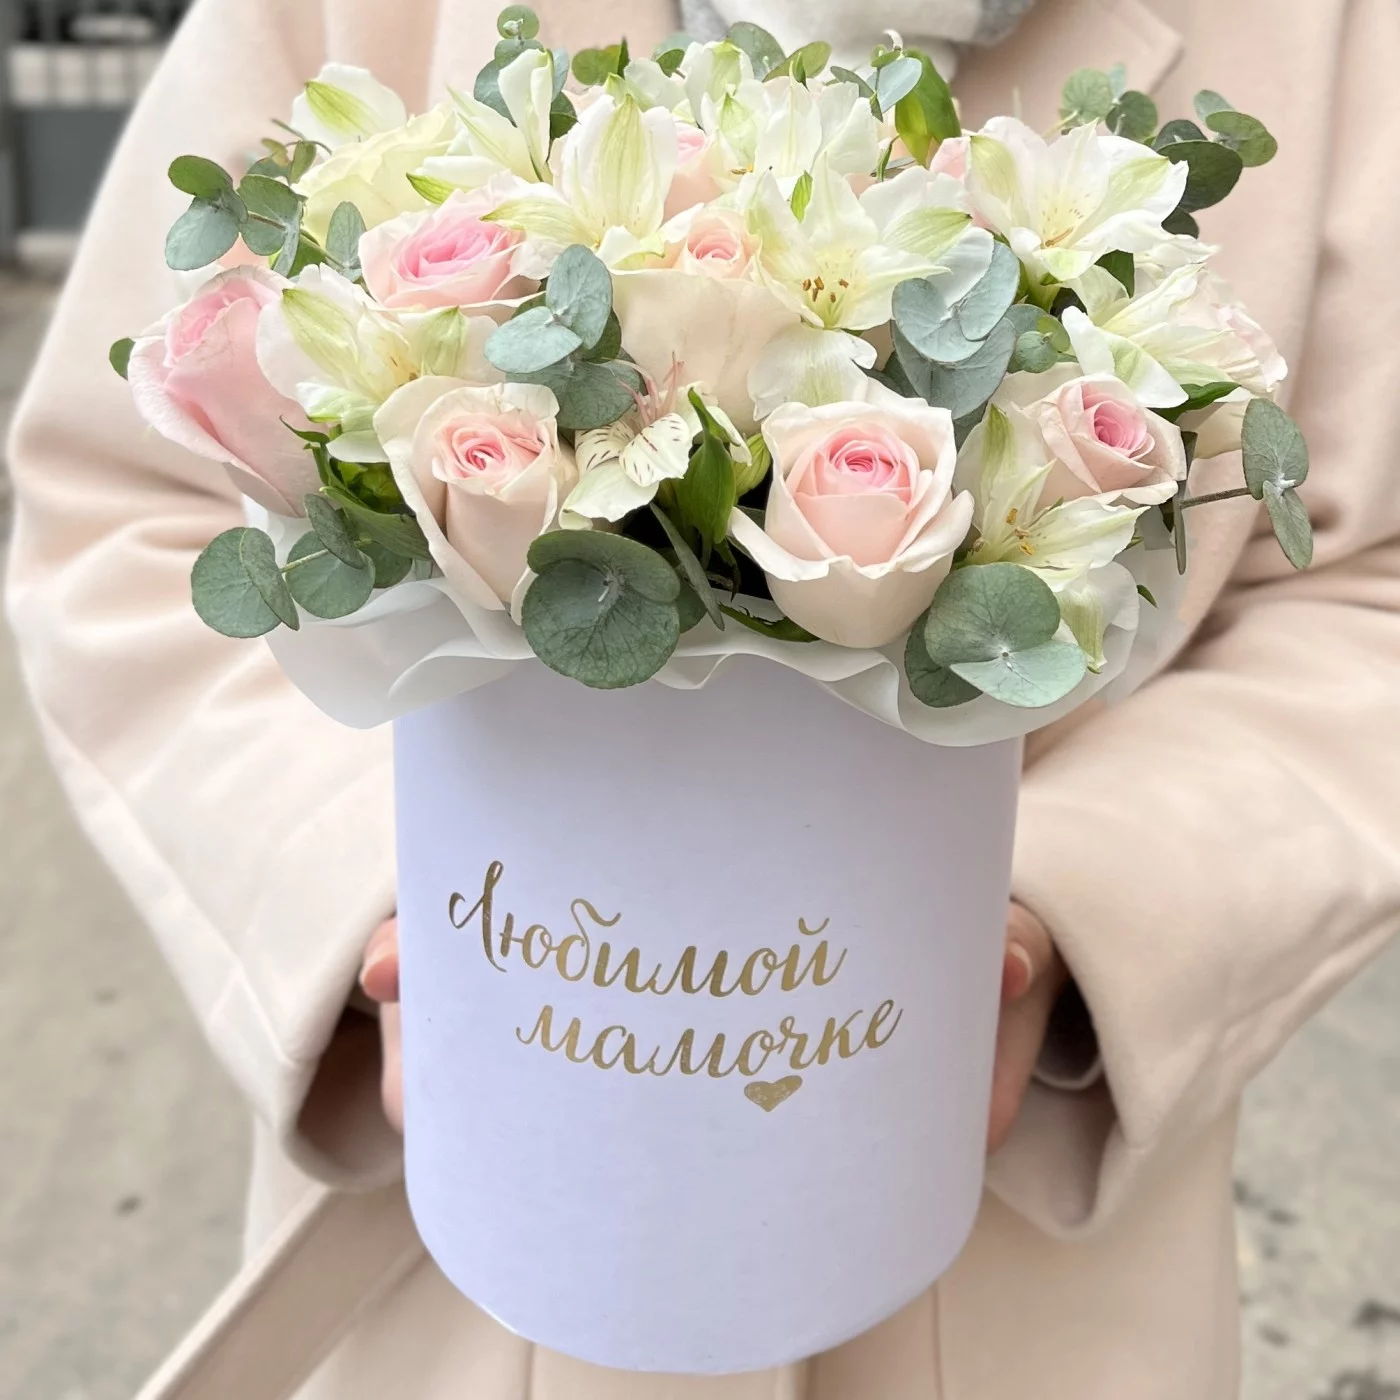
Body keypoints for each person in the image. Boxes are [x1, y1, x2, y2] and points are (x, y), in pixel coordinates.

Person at [7, 0, 1399, 1396]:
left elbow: (1365, 595)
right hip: (485, 1187)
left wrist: (1091, 913)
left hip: (1015, 1259)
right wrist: (396, 900)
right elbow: (124, 510)